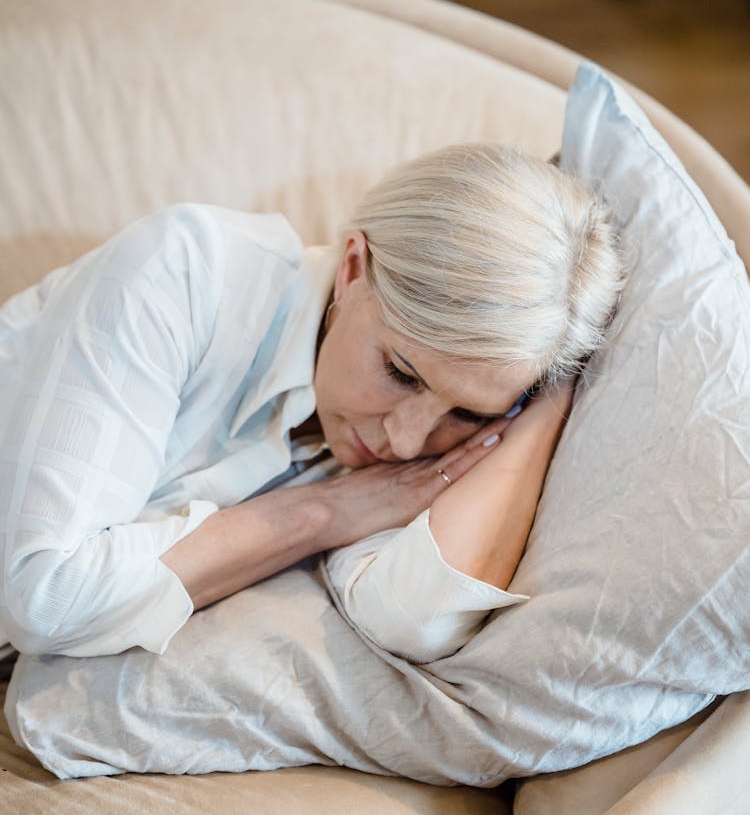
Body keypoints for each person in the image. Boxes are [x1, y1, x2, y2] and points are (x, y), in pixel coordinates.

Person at [0, 143, 622, 663]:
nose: (404, 443)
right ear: (353, 268)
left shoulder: (435, 430)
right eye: (400, 372)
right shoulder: (184, 271)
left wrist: (549, 410)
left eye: (470, 413)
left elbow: (416, 618)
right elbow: (44, 600)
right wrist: (320, 514)